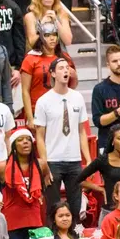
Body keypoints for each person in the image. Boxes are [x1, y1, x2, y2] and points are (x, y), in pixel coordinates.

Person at [33, 57, 91, 222]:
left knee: (76, 206)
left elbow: (82, 131)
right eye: (61, 68)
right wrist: (45, 163)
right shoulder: (44, 101)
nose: (66, 71)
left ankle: (75, 235)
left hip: (74, 159)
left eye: (67, 67)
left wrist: (87, 159)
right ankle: (53, 236)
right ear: (52, 73)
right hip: (53, 160)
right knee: (53, 207)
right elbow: (39, 135)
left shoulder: (77, 97)